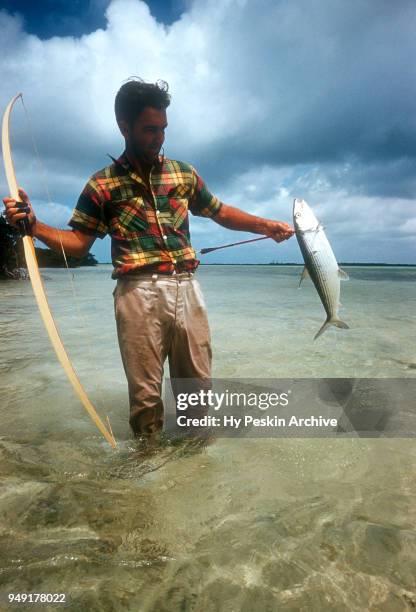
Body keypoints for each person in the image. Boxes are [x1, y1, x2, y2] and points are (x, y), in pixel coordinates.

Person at [3, 78, 294, 438]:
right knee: (145, 403)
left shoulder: (182, 173)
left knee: (198, 396)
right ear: (124, 128)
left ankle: (193, 473)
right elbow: (78, 244)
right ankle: (147, 481)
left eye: (163, 129)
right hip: (136, 294)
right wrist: (34, 226)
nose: (159, 137)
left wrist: (265, 225)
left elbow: (220, 212)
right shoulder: (102, 185)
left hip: (187, 289)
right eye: (149, 129)